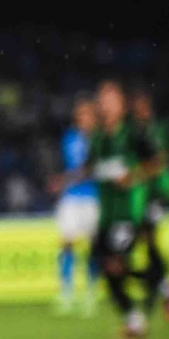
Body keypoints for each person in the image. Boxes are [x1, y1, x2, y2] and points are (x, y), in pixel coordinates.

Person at [89, 80, 164, 339]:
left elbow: (157, 163)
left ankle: (149, 303)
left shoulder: (133, 133)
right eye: (102, 99)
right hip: (105, 215)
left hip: (128, 213)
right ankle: (152, 297)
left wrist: (132, 176)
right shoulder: (97, 137)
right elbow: (91, 168)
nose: (105, 104)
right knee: (104, 267)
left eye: (110, 99)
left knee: (115, 263)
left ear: (122, 104)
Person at [130, 88, 169, 325]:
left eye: (143, 107)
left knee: (148, 240)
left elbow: (163, 160)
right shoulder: (136, 132)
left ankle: (165, 292)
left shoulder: (158, 130)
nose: (140, 111)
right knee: (146, 243)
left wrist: (147, 173)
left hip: (155, 193)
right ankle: (166, 290)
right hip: (141, 194)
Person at [50, 96, 100, 316]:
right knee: (66, 244)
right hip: (71, 197)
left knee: (91, 246)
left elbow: (90, 169)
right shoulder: (69, 138)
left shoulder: (99, 139)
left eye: (88, 114)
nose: (84, 119)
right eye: (81, 115)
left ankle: (91, 292)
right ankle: (66, 292)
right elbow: (70, 164)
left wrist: (64, 178)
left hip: (92, 197)